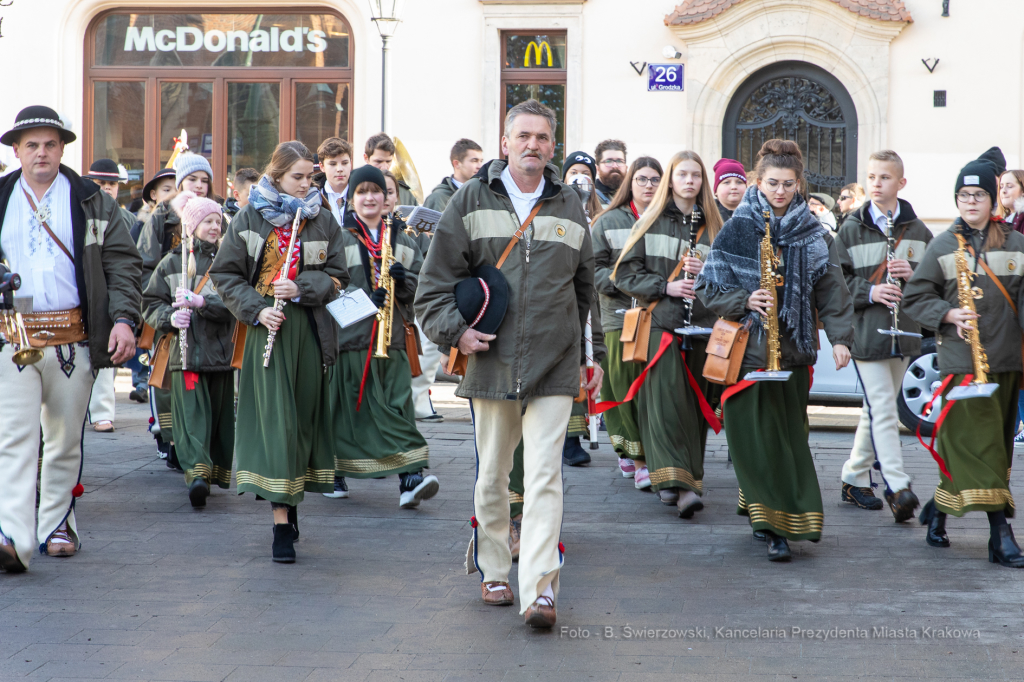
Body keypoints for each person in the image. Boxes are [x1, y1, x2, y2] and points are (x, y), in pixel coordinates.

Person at [415, 99, 601, 628]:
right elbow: (431, 290)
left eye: (542, 137)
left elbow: (585, 291)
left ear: (552, 145)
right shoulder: (470, 200)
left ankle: (541, 588)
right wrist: (459, 333)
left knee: (545, 476)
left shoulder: (569, 205)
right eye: (523, 136)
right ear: (504, 143)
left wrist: (595, 357)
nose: (532, 145)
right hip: (492, 362)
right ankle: (494, 566)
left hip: (556, 362)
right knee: (493, 476)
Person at [696, 139, 854, 562]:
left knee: (787, 439)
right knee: (754, 438)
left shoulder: (816, 233)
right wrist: (743, 301)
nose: (780, 191)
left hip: (795, 353)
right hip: (748, 353)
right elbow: (707, 288)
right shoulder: (737, 227)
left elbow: (832, 290)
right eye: (772, 183)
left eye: (787, 184)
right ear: (756, 181)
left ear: (799, 182)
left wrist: (840, 338)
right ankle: (771, 527)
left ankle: (772, 508)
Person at [0, 105, 142, 572]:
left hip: (71, 338)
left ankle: (58, 522)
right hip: (10, 338)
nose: (42, 152)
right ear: (17, 151)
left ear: (63, 148)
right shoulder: (0, 196)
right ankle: (13, 539)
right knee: (13, 439)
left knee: (63, 441)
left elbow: (123, 262)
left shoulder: (91, 199)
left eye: (51, 144)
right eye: (32, 145)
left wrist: (123, 319)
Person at [210, 141, 348, 563]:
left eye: (311, 177)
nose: (307, 184)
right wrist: (258, 308)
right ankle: (281, 524)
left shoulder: (322, 220)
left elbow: (340, 277)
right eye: (298, 177)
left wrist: (305, 287)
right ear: (276, 176)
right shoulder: (250, 216)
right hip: (266, 332)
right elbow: (225, 274)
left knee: (301, 421)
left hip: (308, 331)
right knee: (277, 423)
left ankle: (290, 500)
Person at [902, 157, 1024, 566]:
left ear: (993, 199)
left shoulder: (1015, 243)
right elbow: (915, 297)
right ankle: (1000, 535)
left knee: (995, 448)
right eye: (964, 195)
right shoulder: (941, 244)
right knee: (982, 446)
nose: (971, 201)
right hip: (961, 364)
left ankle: (938, 511)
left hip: (1006, 360)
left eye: (980, 194)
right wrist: (948, 314)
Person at [612, 152, 723, 514]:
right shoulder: (650, 220)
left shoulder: (716, 226)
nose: (690, 181)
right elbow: (624, 275)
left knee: (693, 408)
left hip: (703, 329)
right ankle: (677, 485)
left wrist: (706, 270)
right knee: (664, 404)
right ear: (670, 181)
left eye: (696, 175)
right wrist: (666, 286)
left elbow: (733, 282)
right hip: (661, 325)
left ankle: (682, 480)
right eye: (682, 175)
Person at [327, 166, 437, 506]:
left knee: (397, 405)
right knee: (347, 411)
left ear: (388, 197)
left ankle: (410, 479)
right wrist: (362, 301)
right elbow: (325, 288)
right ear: (353, 198)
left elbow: (422, 288)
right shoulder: (337, 237)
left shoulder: (404, 239)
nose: (371, 197)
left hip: (395, 339)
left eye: (378, 191)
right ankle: (337, 471)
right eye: (362, 192)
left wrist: (405, 283)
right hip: (351, 341)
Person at [834, 150, 932, 521]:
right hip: (866, 332)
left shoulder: (919, 231)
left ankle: (853, 477)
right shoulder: (850, 227)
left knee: (876, 410)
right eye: (872, 177)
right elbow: (836, 281)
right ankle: (898, 485)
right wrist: (871, 292)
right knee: (883, 409)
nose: (877, 184)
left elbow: (934, 282)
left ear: (900, 183)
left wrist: (914, 273)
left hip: (903, 331)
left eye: (885, 178)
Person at [143, 192, 235, 508]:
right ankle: (197, 474)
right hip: (186, 356)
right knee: (193, 417)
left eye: (217, 221)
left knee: (220, 420)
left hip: (222, 354)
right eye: (207, 221)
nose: (214, 226)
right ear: (192, 225)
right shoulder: (171, 263)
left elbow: (238, 304)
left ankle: (210, 473)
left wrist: (204, 303)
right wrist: (170, 317)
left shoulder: (229, 263)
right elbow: (150, 302)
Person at [138, 152, 214, 467]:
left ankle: (199, 442)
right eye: (192, 179)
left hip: (208, 313)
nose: (198, 186)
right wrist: (164, 305)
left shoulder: (217, 213)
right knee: (167, 376)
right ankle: (169, 438)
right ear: (180, 182)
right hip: (168, 309)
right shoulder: (162, 216)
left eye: (204, 180)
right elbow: (143, 265)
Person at [591, 157, 663, 480]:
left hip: (660, 316)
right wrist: (625, 280)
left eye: (655, 180)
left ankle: (654, 454)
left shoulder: (670, 219)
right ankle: (635, 459)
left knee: (654, 388)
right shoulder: (608, 221)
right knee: (621, 386)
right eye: (642, 179)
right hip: (618, 316)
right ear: (629, 183)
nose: (649, 185)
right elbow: (591, 270)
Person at [83, 158, 141, 423]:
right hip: (90, 290)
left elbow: (128, 260)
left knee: (109, 357)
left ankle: (103, 413)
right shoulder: (81, 209)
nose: (107, 188)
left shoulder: (129, 217)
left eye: (112, 183)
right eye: (100, 182)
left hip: (114, 291)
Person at [424, 139, 484, 212]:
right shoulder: (439, 198)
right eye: (474, 161)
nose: (480, 166)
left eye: (481, 161)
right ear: (457, 164)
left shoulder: (484, 195)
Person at [364, 133, 418, 207]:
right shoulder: (355, 187)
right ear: (366, 158)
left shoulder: (404, 193)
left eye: (388, 161)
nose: (384, 167)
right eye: (378, 162)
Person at [317, 137, 352, 227]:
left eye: (344, 163)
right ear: (322, 167)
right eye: (333, 164)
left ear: (350, 163)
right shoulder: (313, 195)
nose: (340, 169)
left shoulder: (361, 193)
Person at [593, 140, 627, 207]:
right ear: (597, 169)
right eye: (608, 161)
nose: (615, 166)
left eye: (619, 161)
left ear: (626, 167)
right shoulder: (591, 196)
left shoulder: (634, 195)